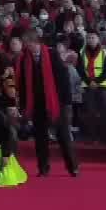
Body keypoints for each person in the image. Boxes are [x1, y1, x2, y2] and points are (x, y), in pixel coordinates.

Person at [16, 35, 77, 177]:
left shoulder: (52, 54)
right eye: (26, 44)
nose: (28, 47)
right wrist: (24, 105)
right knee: (40, 138)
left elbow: (63, 78)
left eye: (30, 43)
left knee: (63, 136)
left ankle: (73, 167)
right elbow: (23, 84)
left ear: (37, 43)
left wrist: (65, 102)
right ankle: (43, 168)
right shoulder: (25, 59)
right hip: (37, 103)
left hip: (56, 102)